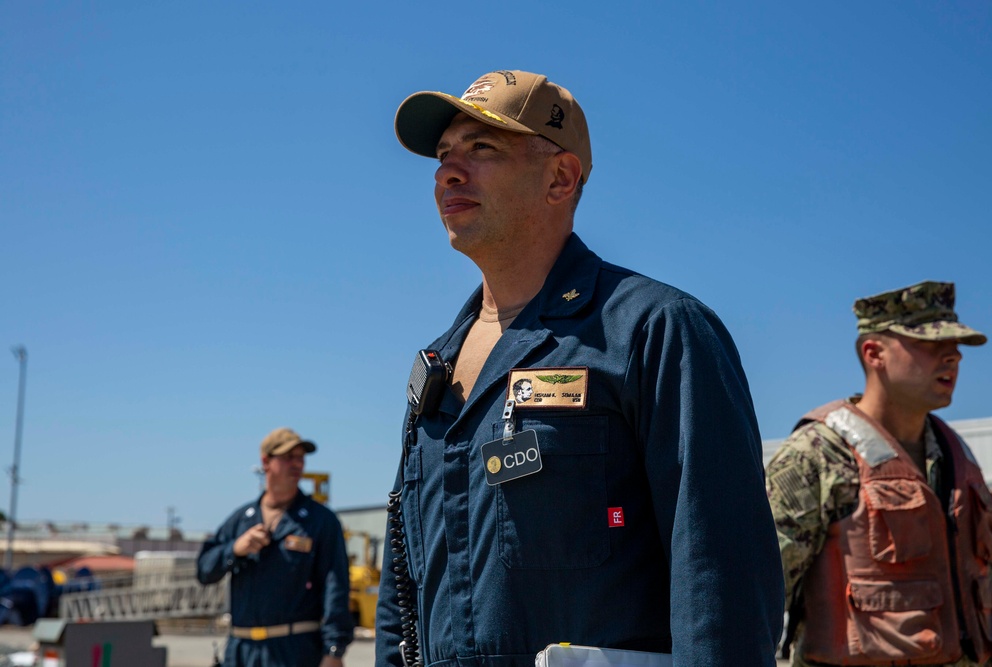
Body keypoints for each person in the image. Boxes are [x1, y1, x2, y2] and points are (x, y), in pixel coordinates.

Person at [375, 69, 784, 667]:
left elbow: (720, 569)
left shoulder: (652, 330)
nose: (448, 172)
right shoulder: (438, 365)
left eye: (481, 148)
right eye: (443, 155)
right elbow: (405, 584)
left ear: (560, 178)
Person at [766, 281, 992, 667]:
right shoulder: (817, 456)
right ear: (874, 352)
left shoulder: (959, 457)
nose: (953, 356)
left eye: (956, 346)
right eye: (930, 343)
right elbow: (752, 596)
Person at [197, 427, 354, 667]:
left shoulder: (320, 521)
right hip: (241, 652)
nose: (297, 464)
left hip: (294, 651)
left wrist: (334, 651)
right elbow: (204, 570)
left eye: (301, 458)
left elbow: (336, 588)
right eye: (288, 457)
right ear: (266, 461)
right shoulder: (241, 520)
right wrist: (235, 549)